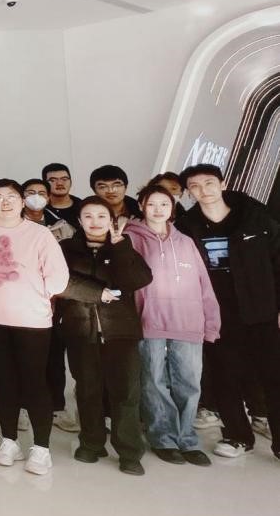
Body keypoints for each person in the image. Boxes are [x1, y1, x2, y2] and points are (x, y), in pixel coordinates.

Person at [0, 178, 69, 475]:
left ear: (22, 202)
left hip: (31, 319)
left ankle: (41, 448)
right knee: (4, 382)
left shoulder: (39, 234)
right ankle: (9, 441)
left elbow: (58, 276)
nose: (5, 201)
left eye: (11, 196)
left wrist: (36, 293)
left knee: (34, 382)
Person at [177, 163, 280, 460]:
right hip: (217, 315)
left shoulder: (256, 218)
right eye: (195, 186)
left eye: (209, 183)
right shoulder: (186, 227)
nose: (203, 190)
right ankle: (237, 436)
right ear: (189, 192)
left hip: (261, 311)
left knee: (274, 376)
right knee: (225, 377)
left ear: (222, 184)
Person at [125, 183, 219, 467]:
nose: (158, 210)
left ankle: (187, 439)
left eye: (164, 204)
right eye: (152, 204)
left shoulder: (185, 241)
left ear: (172, 208)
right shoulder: (130, 237)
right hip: (149, 321)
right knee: (154, 382)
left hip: (188, 322)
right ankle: (163, 438)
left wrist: (211, 322)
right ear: (141, 206)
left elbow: (204, 284)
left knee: (189, 382)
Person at [57, 197, 152, 475]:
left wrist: (120, 246)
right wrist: (97, 293)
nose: (95, 222)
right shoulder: (66, 248)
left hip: (121, 332)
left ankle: (129, 452)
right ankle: (91, 443)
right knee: (88, 389)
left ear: (112, 220)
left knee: (126, 392)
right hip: (80, 330)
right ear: (79, 220)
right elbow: (60, 281)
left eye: (101, 216)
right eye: (88, 216)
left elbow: (138, 280)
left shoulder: (122, 246)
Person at [24, 177, 78, 433]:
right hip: (23, 300)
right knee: (24, 355)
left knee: (55, 354)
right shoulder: (14, 225)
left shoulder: (62, 226)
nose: (36, 196)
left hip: (57, 299)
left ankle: (57, 405)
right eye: (30, 192)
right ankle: (23, 405)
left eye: (41, 192)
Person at [42, 162, 82, 230]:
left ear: (71, 182)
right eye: (53, 180)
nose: (59, 183)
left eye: (64, 179)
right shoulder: (39, 210)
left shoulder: (83, 206)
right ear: (44, 184)